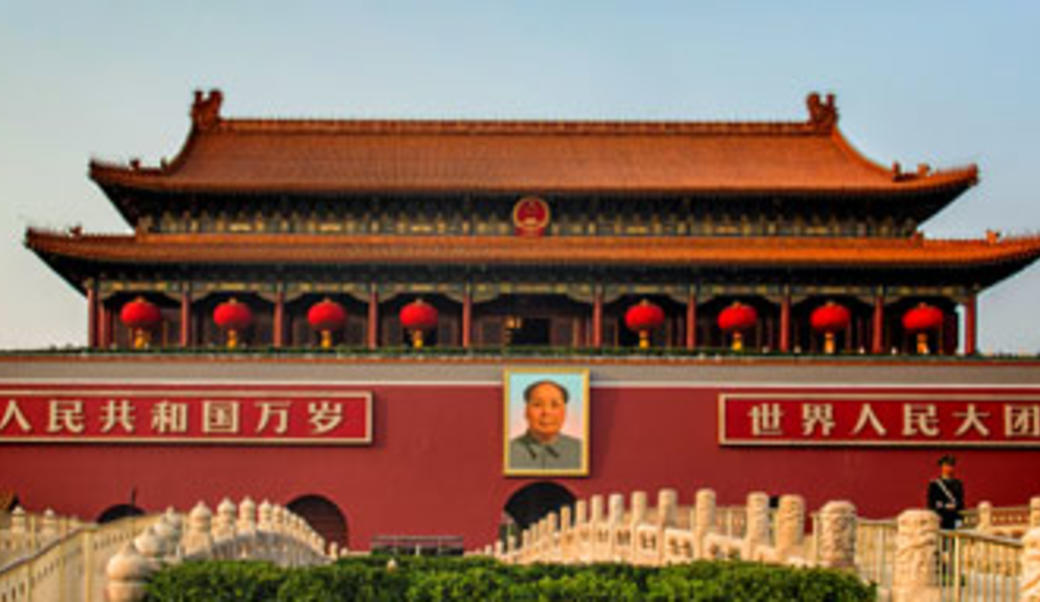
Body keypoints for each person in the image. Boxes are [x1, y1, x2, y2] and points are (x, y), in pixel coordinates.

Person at [508, 380, 583, 470]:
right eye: (537, 405)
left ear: (565, 412)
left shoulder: (581, 451)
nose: (546, 412)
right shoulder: (508, 452)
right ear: (525, 411)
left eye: (555, 405)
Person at [927, 455, 964, 529]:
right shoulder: (935, 484)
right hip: (941, 517)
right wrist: (944, 506)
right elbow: (932, 503)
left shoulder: (958, 484)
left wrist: (955, 506)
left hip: (955, 516)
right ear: (942, 467)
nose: (949, 468)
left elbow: (961, 501)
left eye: (951, 465)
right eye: (947, 465)